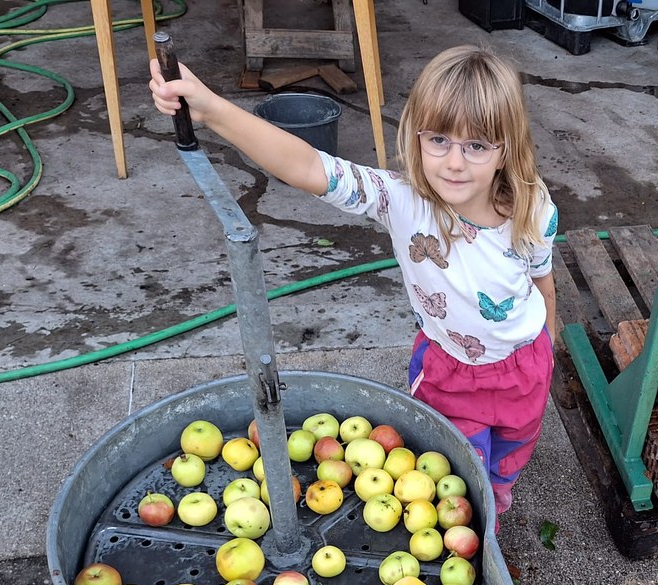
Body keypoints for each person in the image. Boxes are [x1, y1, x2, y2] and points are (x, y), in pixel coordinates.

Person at [150, 45, 559, 517]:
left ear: (506, 148)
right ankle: (480, 527)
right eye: (439, 140)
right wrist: (211, 108)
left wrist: (546, 351)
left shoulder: (534, 207)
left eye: (477, 146)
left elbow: (542, 283)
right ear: (416, 135)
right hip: (451, 375)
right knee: (456, 487)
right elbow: (306, 166)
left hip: (527, 369)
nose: (454, 163)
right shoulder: (400, 200)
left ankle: (496, 507)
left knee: (507, 464)